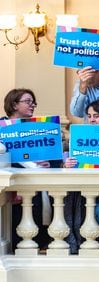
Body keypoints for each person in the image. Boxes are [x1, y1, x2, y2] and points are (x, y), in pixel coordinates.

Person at [2, 88, 62, 251]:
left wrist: (51, 164)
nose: (33, 105)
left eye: (33, 102)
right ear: (14, 105)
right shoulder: (2, 128)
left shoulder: (42, 127)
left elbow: (56, 158)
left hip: (42, 190)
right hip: (14, 191)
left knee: (40, 233)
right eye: (28, 101)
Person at [63, 99, 99, 254]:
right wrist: (66, 162)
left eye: (96, 116)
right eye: (89, 116)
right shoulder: (80, 136)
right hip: (83, 190)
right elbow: (63, 153)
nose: (92, 120)